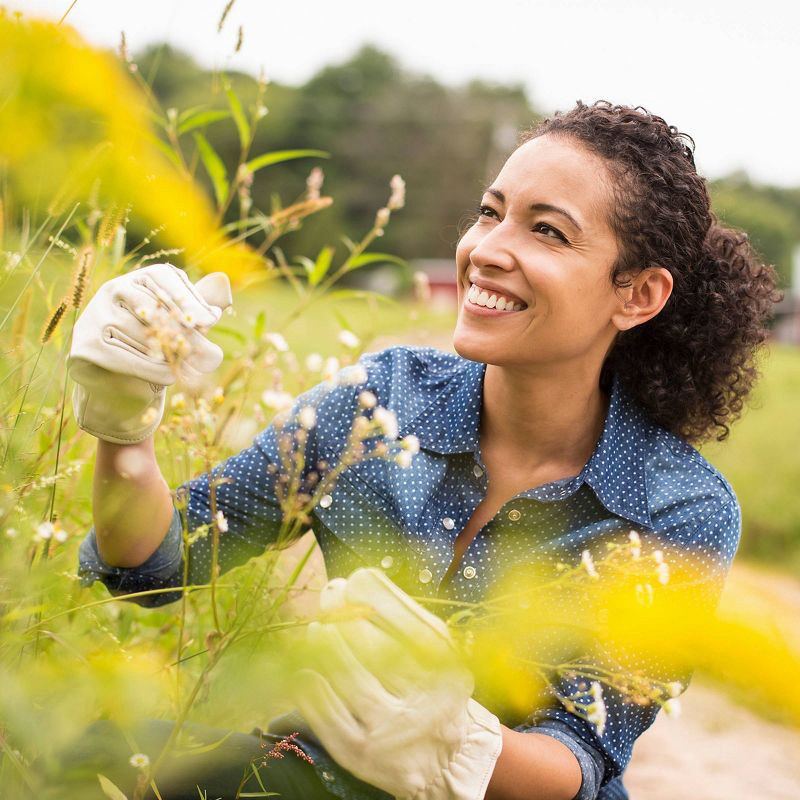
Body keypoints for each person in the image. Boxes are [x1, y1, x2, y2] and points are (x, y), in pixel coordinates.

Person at [65, 100, 778, 800]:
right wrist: (125, 430)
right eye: (490, 212)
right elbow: (160, 565)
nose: (487, 250)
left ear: (639, 294)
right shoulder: (380, 401)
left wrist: (460, 745)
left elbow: (581, 758)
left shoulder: (675, 509)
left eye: (549, 233)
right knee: (70, 753)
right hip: (308, 776)